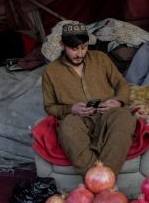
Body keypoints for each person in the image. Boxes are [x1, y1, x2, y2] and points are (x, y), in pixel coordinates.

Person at [41, 22, 137, 176]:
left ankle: (104, 177)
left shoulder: (101, 58)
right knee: (66, 127)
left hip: (108, 114)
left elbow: (122, 85)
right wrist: (71, 108)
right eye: (74, 49)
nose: (80, 53)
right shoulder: (50, 72)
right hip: (77, 119)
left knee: (125, 118)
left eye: (84, 47)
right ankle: (97, 178)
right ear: (62, 45)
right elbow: (49, 106)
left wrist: (117, 101)